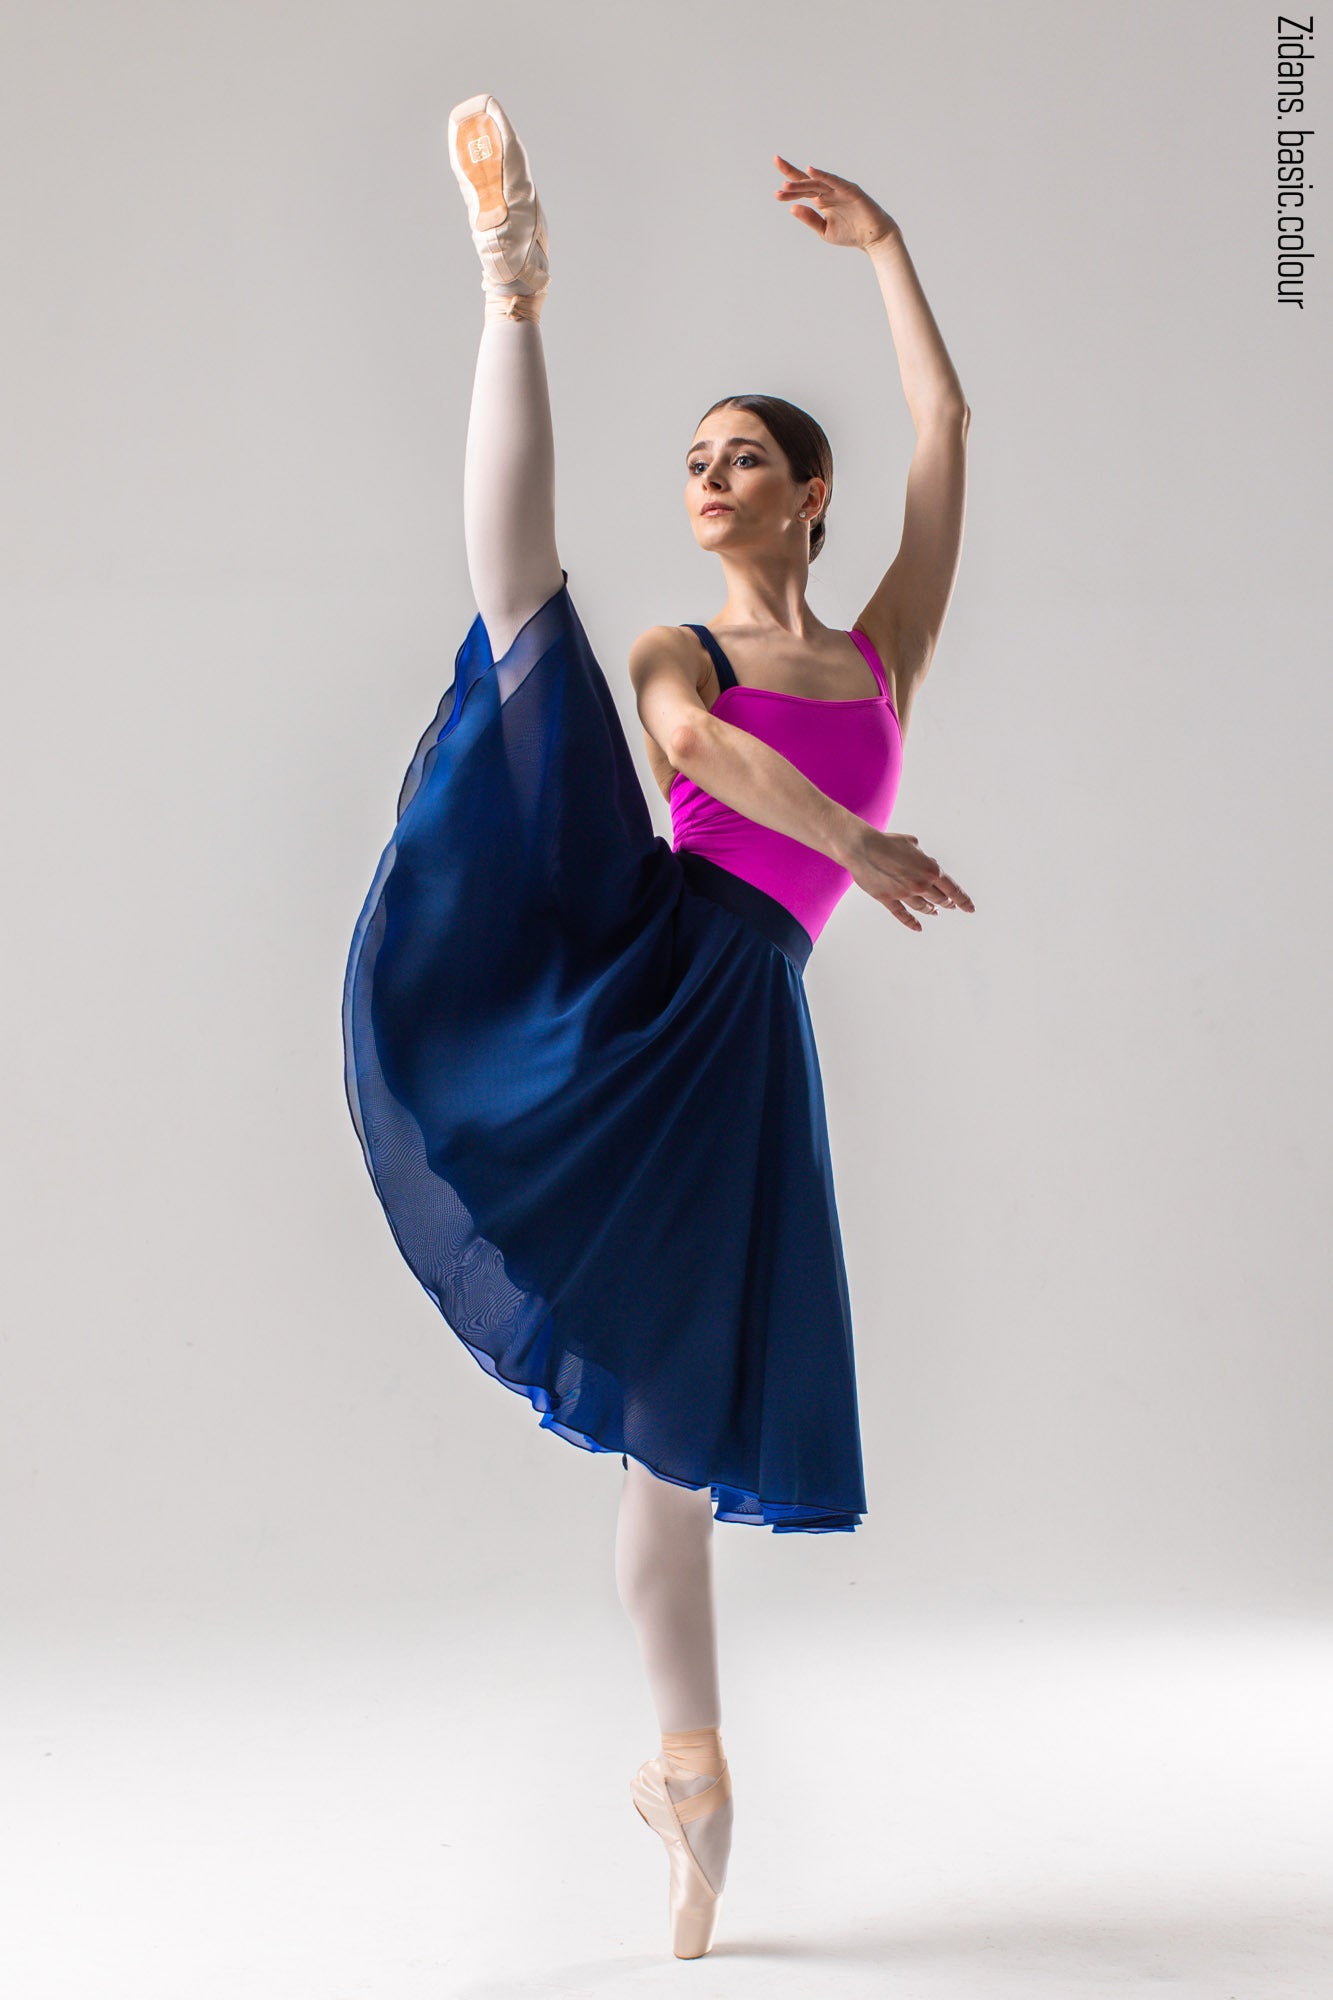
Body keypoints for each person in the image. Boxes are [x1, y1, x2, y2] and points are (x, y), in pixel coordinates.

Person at [341, 91, 974, 1960]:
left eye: (741, 458)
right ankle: (510, 286)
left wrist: (887, 254)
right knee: (522, 623)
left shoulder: (877, 655)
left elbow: (946, 432)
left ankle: (690, 1779)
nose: (706, 478)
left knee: (671, 1451)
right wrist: (853, 838)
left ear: (808, 495)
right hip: (644, 973)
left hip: (747, 1044)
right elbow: (691, 751)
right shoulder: (677, 653)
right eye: (690, 460)